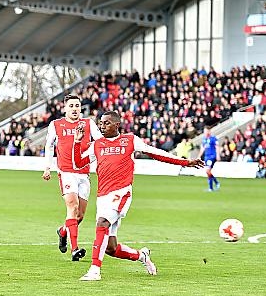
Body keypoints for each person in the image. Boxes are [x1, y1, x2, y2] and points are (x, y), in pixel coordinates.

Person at [73, 111, 204, 281]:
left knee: (102, 223)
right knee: (110, 248)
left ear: (116, 125)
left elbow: (156, 153)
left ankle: (95, 270)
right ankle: (142, 256)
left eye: (106, 123)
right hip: (103, 195)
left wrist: (185, 162)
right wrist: (77, 142)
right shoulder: (97, 144)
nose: (102, 126)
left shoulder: (130, 140)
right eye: (100, 123)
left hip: (121, 192)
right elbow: (78, 163)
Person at [42, 94, 103, 261]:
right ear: (65, 108)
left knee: (80, 215)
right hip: (66, 172)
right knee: (72, 206)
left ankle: (63, 232)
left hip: (84, 173)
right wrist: (47, 167)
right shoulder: (56, 125)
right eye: (71, 106)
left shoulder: (88, 124)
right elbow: (49, 145)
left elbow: (100, 142)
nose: (75, 109)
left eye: (77, 105)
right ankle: (74, 249)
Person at [199, 127, 220, 192]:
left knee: (208, 171)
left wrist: (218, 155)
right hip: (206, 157)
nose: (205, 133)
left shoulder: (213, 138)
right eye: (204, 131)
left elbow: (217, 147)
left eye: (206, 131)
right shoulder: (204, 139)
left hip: (212, 156)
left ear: (209, 131)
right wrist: (198, 157)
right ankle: (216, 183)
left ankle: (212, 187)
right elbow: (202, 149)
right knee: (208, 172)